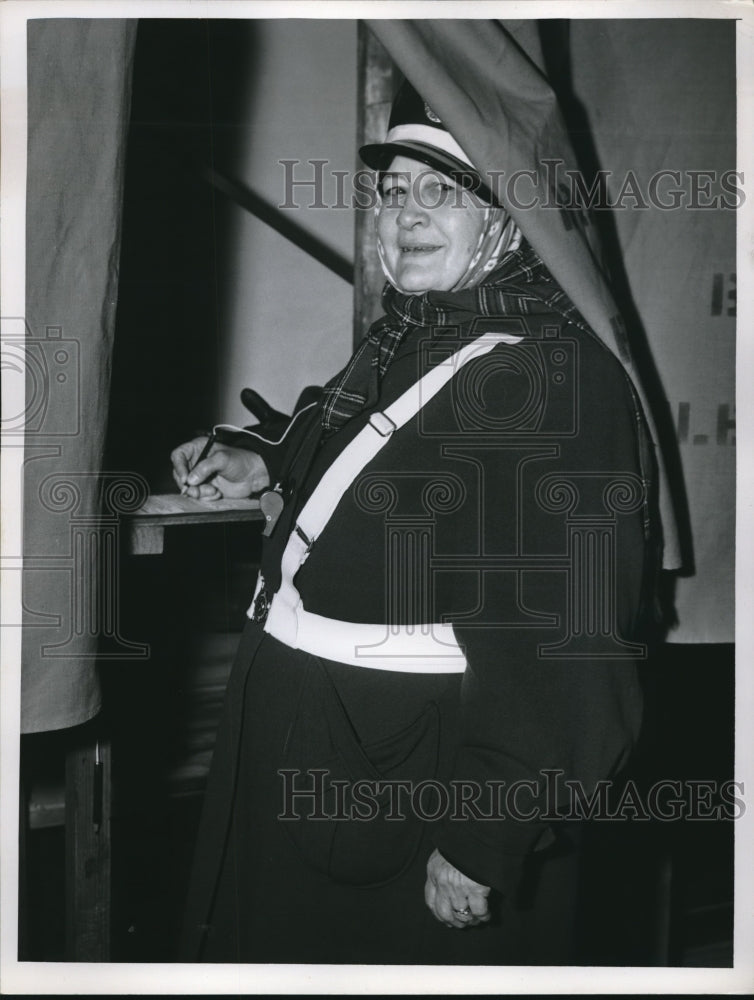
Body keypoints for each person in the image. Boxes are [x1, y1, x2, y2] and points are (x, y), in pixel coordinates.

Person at [173, 81, 660, 965]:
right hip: (319, 739)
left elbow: (571, 640)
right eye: (395, 191)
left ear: (512, 217)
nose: (408, 214)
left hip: (402, 772)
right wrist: (264, 452)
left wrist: (488, 831)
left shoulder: (553, 378)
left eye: (444, 190)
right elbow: (363, 439)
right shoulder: (421, 332)